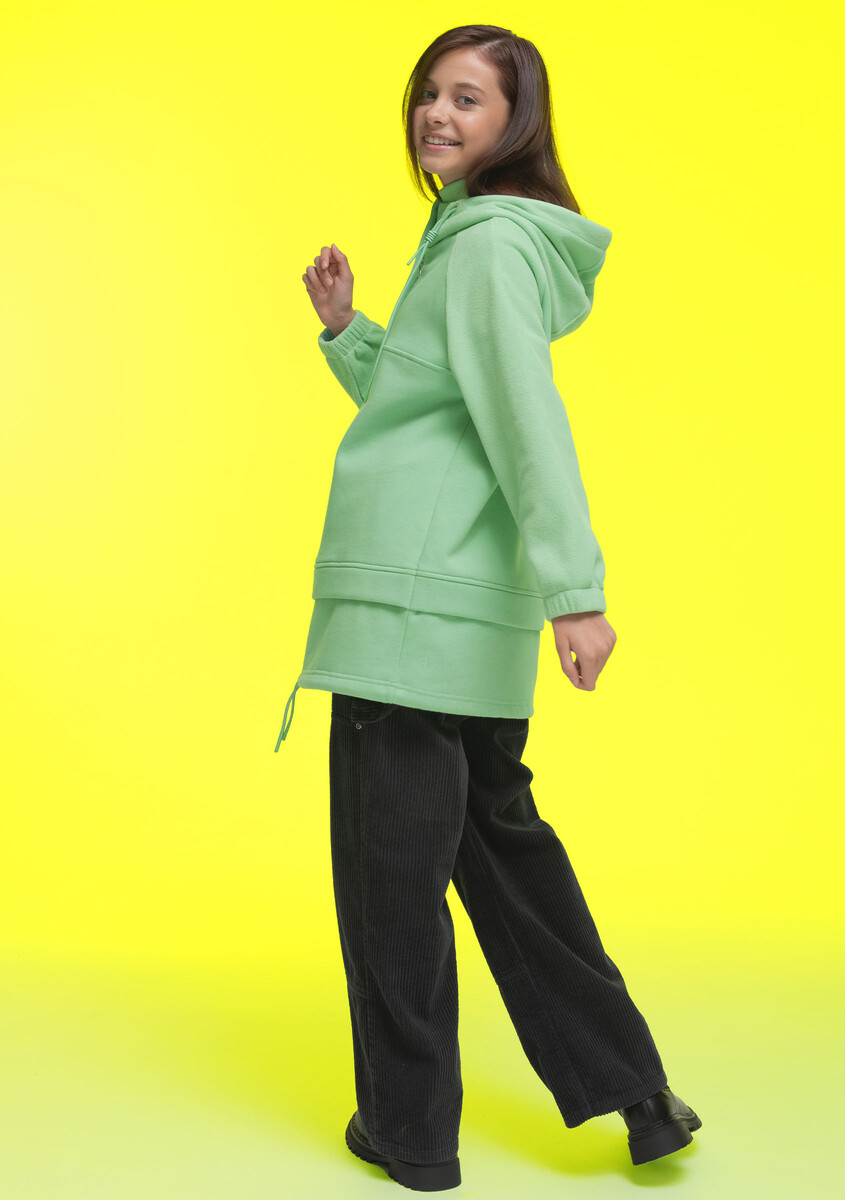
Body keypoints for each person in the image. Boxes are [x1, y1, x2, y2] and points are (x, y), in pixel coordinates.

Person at [275, 25, 701, 1193]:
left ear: (518, 120)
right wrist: (348, 331)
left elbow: (523, 416)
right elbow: (436, 407)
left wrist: (579, 592)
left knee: (390, 888)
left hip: (405, 624)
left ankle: (409, 1135)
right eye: (428, 93)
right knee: (512, 871)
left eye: (467, 97)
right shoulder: (486, 241)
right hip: (467, 624)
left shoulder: (483, 246)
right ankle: (638, 1093)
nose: (436, 113)